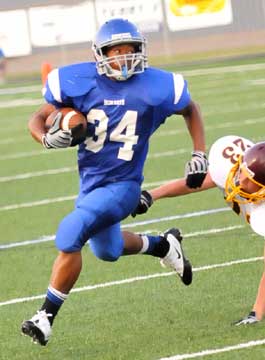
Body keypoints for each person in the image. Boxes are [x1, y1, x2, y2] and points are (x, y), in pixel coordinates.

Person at [21, 18, 208, 346]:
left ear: (140, 52)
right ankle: (164, 245)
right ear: (100, 54)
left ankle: (45, 316)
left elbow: (189, 108)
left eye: (129, 50)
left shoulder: (156, 86)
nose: (122, 57)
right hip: (92, 184)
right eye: (115, 51)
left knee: (70, 231)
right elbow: (37, 119)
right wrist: (48, 139)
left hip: (124, 185)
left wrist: (199, 152)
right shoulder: (79, 82)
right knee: (107, 250)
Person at [132, 135, 265, 325]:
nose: (240, 179)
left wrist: (256, 314)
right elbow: (201, 181)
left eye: (248, 179)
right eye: (241, 170)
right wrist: (152, 195)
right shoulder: (232, 167)